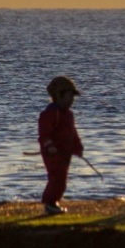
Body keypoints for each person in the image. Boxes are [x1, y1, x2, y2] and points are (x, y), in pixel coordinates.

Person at [36, 76, 84, 215]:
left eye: (72, 97)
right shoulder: (50, 114)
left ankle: (53, 202)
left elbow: (73, 134)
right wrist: (49, 145)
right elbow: (44, 133)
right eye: (69, 96)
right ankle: (49, 202)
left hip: (65, 152)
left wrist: (77, 147)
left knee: (62, 178)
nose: (71, 100)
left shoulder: (68, 115)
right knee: (56, 177)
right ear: (59, 96)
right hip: (52, 152)